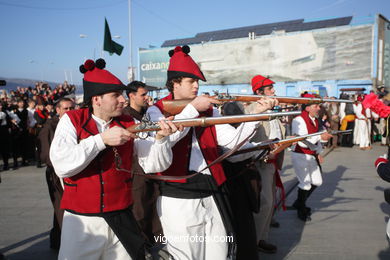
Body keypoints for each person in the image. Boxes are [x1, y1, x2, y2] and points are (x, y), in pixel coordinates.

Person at [146, 45, 277, 260]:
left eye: (197, 81)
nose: (197, 86)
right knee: (186, 255)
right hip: (178, 194)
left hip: (211, 189)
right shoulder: (156, 110)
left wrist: (256, 114)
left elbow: (232, 141)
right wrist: (192, 110)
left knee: (219, 252)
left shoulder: (209, 109)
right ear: (175, 83)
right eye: (191, 81)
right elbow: (164, 142)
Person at [49, 58, 179, 260]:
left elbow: (153, 164)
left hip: (122, 215)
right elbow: (61, 164)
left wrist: (161, 139)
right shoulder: (72, 120)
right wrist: (101, 140)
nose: (123, 100)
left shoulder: (129, 121)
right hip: (82, 222)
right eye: (115, 95)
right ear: (96, 99)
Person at [123, 81, 164, 246]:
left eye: (147, 94)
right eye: (143, 95)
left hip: (152, 168)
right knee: (139, 211)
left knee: (152, 208)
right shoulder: (125, 117)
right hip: (135, 170)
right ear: (131, 96)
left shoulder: (149, 113)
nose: (148, 98)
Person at [38, 97, 75, 251]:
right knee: (61, 207)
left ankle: (56, 240)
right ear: (58, 110)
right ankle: (66, 243)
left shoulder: (74, 123)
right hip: (56, 173)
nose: (69, 112)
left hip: (71, 170)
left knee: (62, 207)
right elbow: (45, 154)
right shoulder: (49, 127)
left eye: (71, 108)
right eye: (65, 109)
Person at [291, 93, 333, 221]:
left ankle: (299, 202)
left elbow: (317, 138)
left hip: (311, 154)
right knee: (305, 184)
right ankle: (301, 209)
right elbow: (301, 139)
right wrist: (320, 137)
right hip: (300, 154)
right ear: (307, 107)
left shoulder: (315, 120)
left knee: (317, 181)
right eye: (316, 106)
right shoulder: (298, 120)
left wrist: (318, 152)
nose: (319, 108)